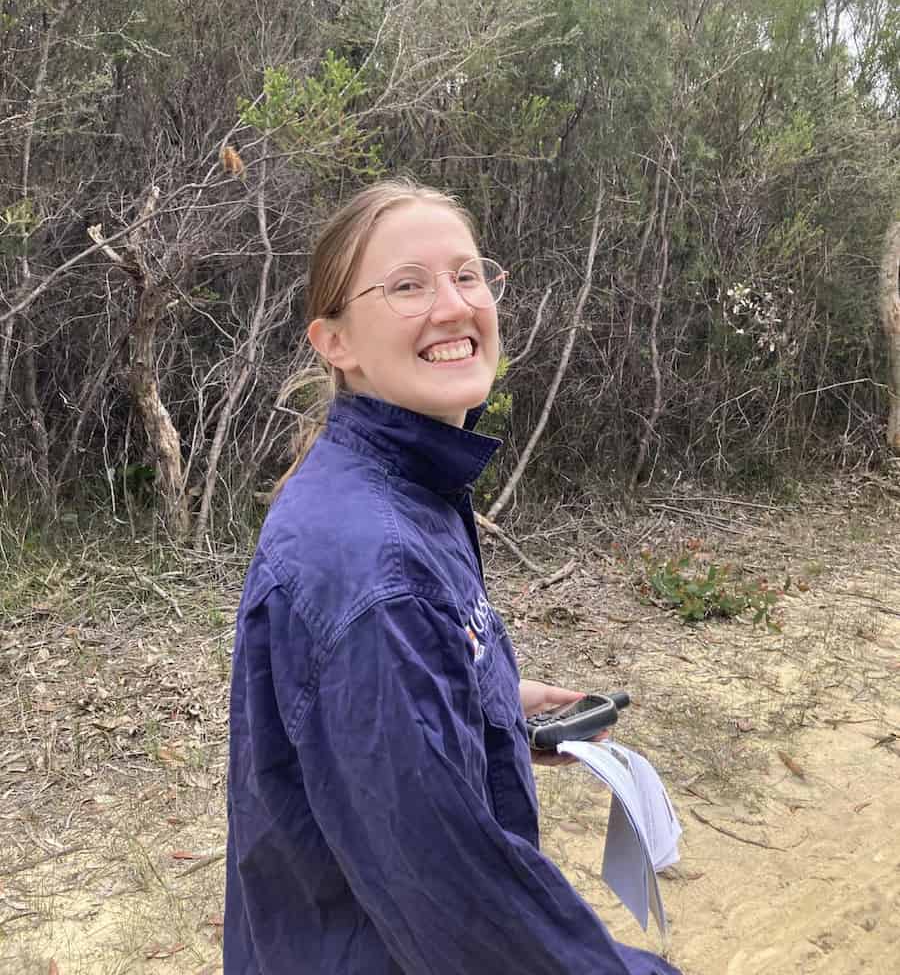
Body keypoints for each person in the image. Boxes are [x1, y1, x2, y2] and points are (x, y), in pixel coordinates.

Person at [224, 179, 682, 975]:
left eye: (467, 275)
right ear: (335, 341)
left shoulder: (396, 486)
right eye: (408, 286)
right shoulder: (374, 563)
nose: (454, 306)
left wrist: (486, 705)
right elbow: (466, 918)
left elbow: (372, 732)